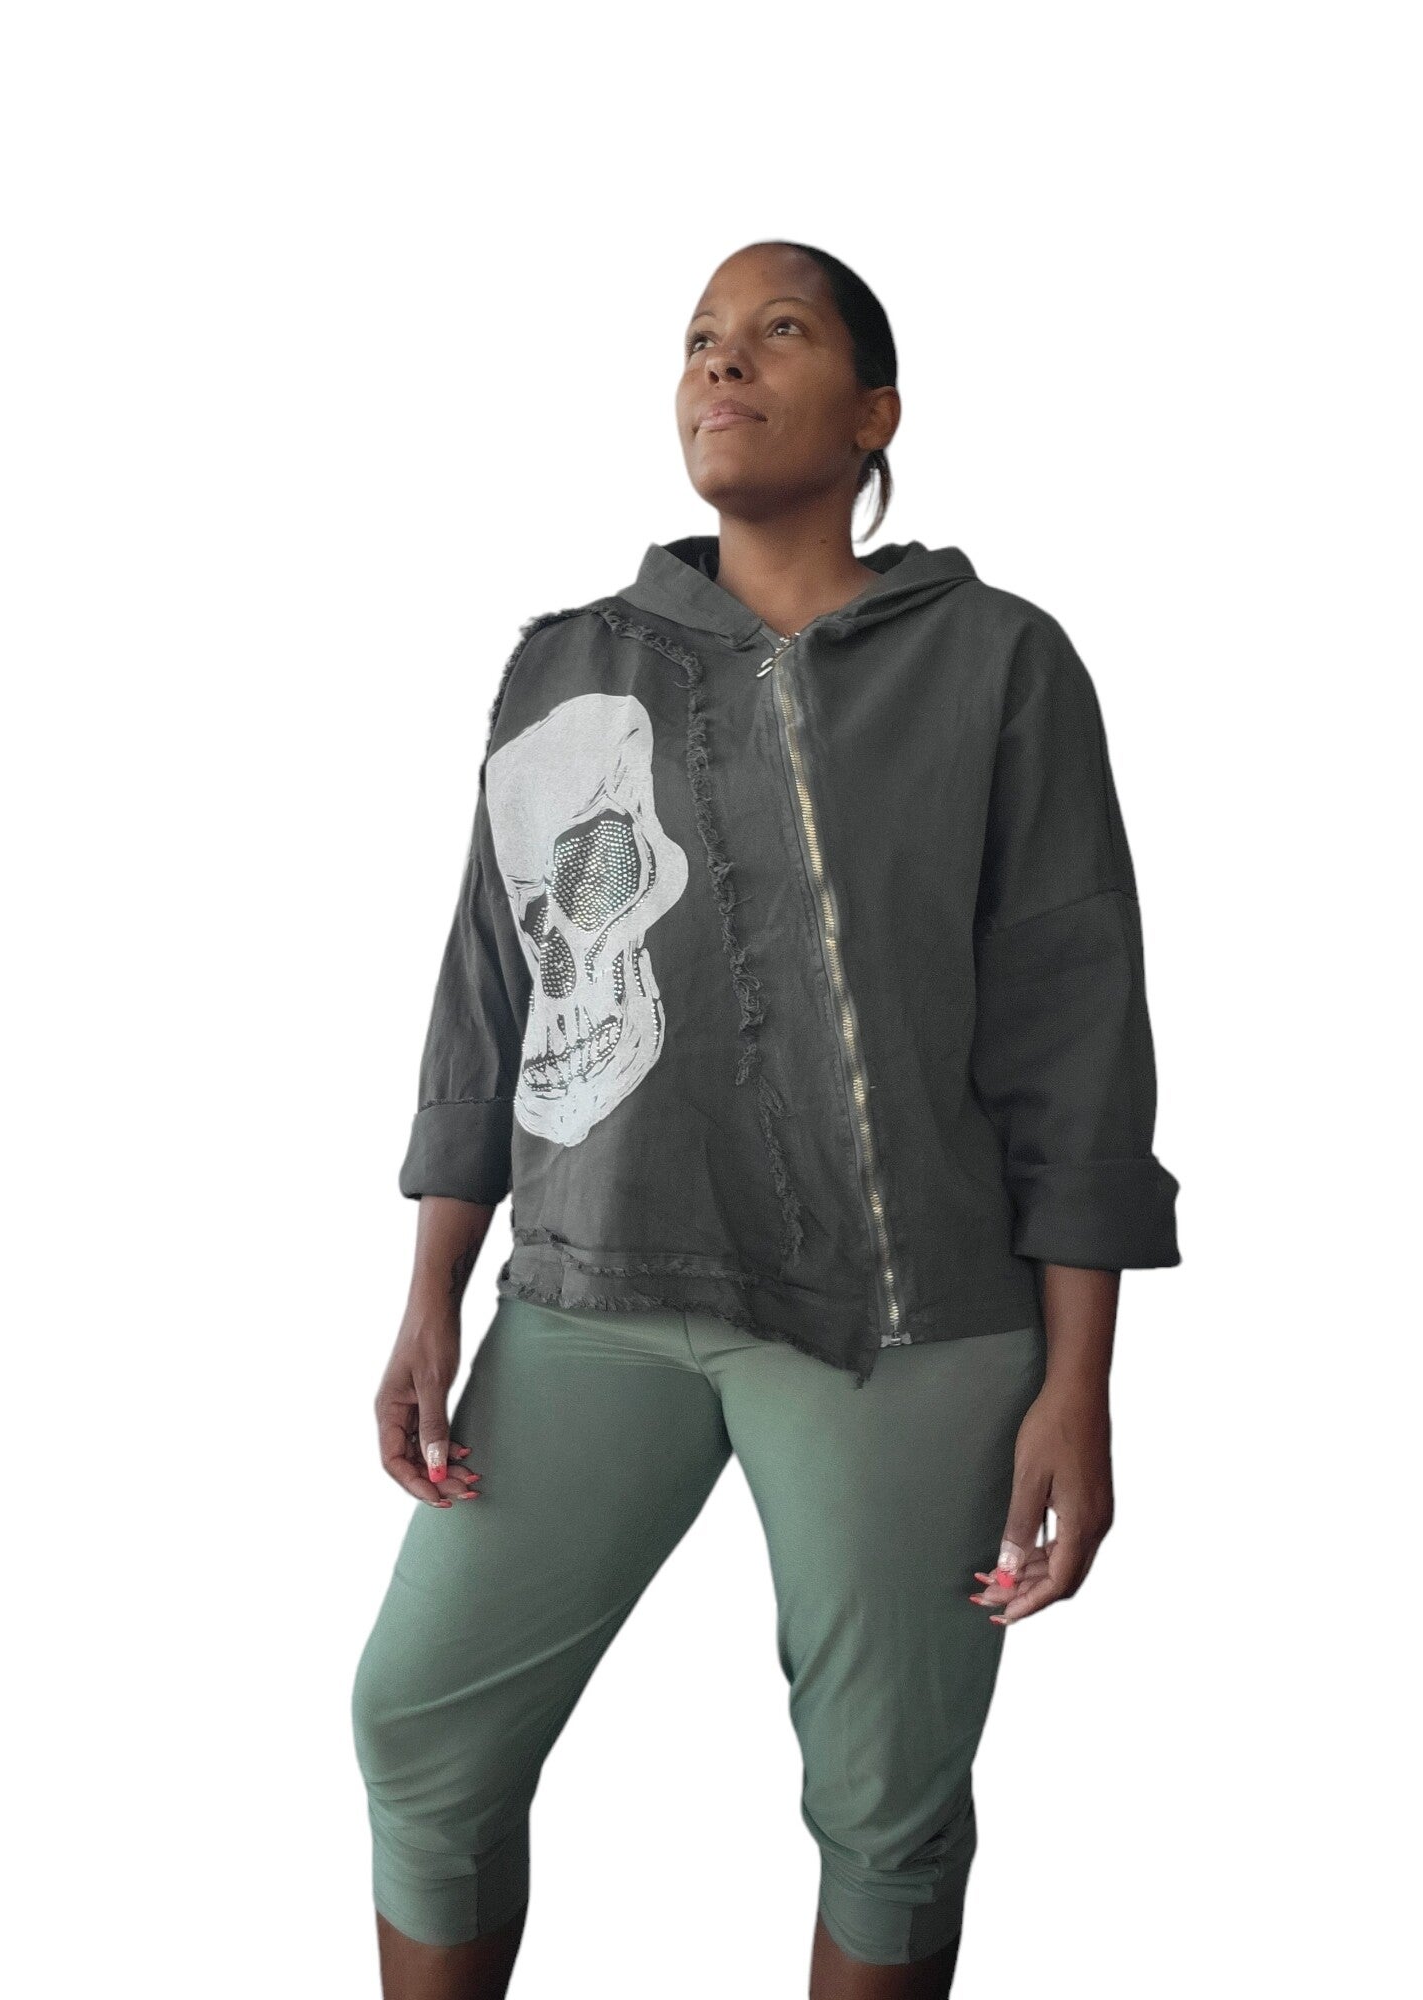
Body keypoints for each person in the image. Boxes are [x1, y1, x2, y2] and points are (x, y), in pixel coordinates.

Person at [350, 238, 1181, 1999]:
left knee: (886, 1805)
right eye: (701, 339)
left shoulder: (998, 664)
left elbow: (1076, 1032)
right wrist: (432, 1292)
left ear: (878, 415)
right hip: (591, 1290)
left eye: (778, 331)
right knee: (420, 1728)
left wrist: (1080, 1382)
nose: (722, 363)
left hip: (906, 1316)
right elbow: (492, 993)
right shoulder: (566, 668)